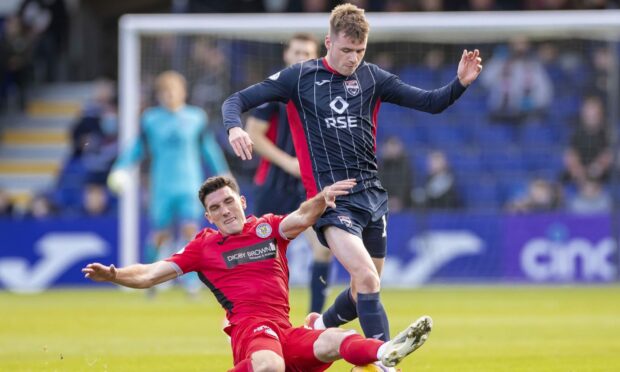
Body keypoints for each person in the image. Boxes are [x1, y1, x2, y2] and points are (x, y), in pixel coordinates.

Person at [222, 3, 481, 342]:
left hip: (372, 197)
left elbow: (431, 102)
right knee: (368, 280)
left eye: (360, 51)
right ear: (328, 42)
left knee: (364, 292)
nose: (353, 58)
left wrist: (459, 83)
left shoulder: (372, 77)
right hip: (332, 201)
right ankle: (385, 359)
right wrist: (234, 128)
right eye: (346, 50)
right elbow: (236, 100)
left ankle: (318, 329)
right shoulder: (300, 77)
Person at [82, 175, 432, 371]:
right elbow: (148, 274)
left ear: (243, 202)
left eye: (229, 202)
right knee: (269, 367)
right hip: (252, 332)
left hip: (285, 330)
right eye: (215, 208)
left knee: (334, 340)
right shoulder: (202, 247)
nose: (225, 211)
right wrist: (115, 275)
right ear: (208, 217)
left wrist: (322, 198)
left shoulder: (267, 228)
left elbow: (301, 217)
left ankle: (384, 351)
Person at [107, 70, 230, 296]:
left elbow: (208, 149)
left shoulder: (196, 118)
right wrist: (121, 167)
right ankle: (148, 280)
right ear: (159, 95)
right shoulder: (151, 119)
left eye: (174, 91)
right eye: (165, 92)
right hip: (162, 186)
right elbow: (137, 148)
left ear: (183, 93)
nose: (170, 95)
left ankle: (192, 283)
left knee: (191, 231)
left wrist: (223, 172)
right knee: (159, 234)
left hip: (190, 185)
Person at [246, 33, 332, 314]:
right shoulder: (274, 87)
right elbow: (253, 135)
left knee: (323, 249)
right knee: (261, 258)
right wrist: (288, 163)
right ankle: (250, 315)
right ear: (287, 55)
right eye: (296, 52)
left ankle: (316, 322)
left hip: (307, 187)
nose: (301, 58)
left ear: (317, 57)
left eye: (307, 53)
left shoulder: (325, 91)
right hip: (272, 184)